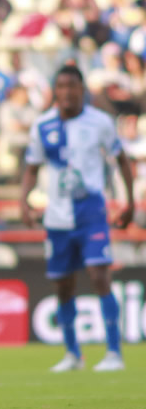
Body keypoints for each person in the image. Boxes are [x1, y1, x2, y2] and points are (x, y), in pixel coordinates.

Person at [21, 65, 135, 373]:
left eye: (72, 86)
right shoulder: (42, 125)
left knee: (100, 276)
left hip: (91, 213)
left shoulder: (100, 123)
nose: (66, 92)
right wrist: (23, 202)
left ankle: (114, 352)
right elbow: (31, 167)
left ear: (82, 89)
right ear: (55, 91)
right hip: (57, 217)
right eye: (61, 86)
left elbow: (121, 161)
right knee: (63, 286)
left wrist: (130, 202)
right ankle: (73, 354)